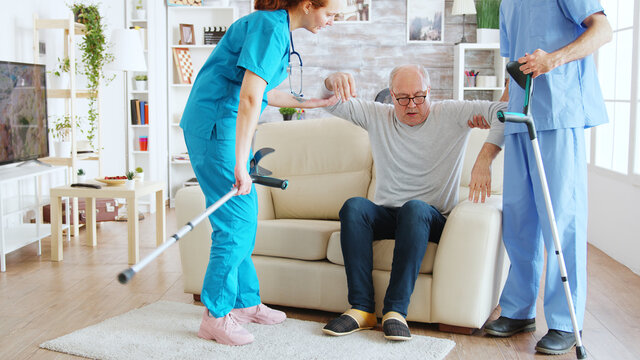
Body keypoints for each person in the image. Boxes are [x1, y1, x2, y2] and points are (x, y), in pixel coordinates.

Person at [179, 0, 341, 346]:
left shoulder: (275, 26)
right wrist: (241, 163)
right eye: (330, 13)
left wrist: (313, 102)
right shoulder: (270, 28)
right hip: (215, 125)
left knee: (245, 216)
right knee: (235, 222)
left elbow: (263, 89)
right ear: (310, 5)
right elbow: (251, 99)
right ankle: (216, 314)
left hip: (222, 122)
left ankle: (245, 301)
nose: (331, 21)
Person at [319, 64, 507, 341]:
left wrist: (484, 158)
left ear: (429, 92)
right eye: (402, 98)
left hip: (429, 218)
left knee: (414, 208)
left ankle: (396, 311)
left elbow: (505, 114)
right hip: (389, 214)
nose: (411, 105)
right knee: (354, 207)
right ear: (390, 96)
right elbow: (325, 101)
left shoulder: (452, 113)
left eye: (419, 96)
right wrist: (329, 81)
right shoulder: (376, 116)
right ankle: (361, 309)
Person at [483, 0, 612, 355]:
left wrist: (552, 59)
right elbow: (512, 73)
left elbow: (602, 30)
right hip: (519, 118)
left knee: (561, 221)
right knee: (519, 220)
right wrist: (495, 134)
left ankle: (564, 322)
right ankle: (518, 310)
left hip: (559, 112)